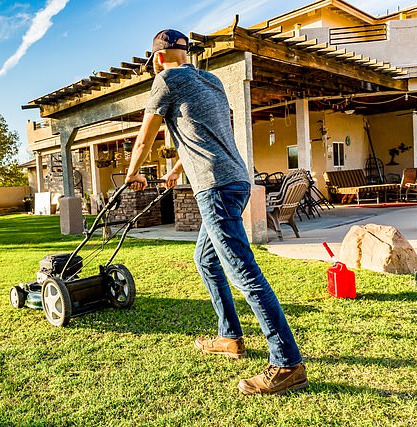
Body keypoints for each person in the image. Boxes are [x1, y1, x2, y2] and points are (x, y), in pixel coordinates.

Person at [124, 29, 308, 395]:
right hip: (237, 181)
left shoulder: (165, 79)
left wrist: (132, 175)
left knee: (243, 272)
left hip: (216, 189)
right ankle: (230, 337)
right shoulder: (210, 81)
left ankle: (287, 363)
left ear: (158, 58)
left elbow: (146, 136)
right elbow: (207, 133)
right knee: (206, 260)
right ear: (186, 53)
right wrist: (176, 170)